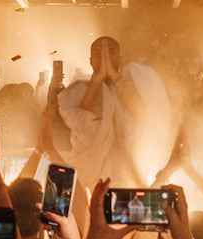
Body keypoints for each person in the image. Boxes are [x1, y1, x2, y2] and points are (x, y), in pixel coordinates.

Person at [56, 37, 173, 182]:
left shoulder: (133, 81)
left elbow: (143, 114)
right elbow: (80, 122)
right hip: (94, 168)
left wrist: (114, 77)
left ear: (120, 58)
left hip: (130, 164)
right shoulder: (80, 87)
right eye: (98, 53)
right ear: (91, 61)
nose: (104, 57)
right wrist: (97, 80)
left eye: (110, 52)